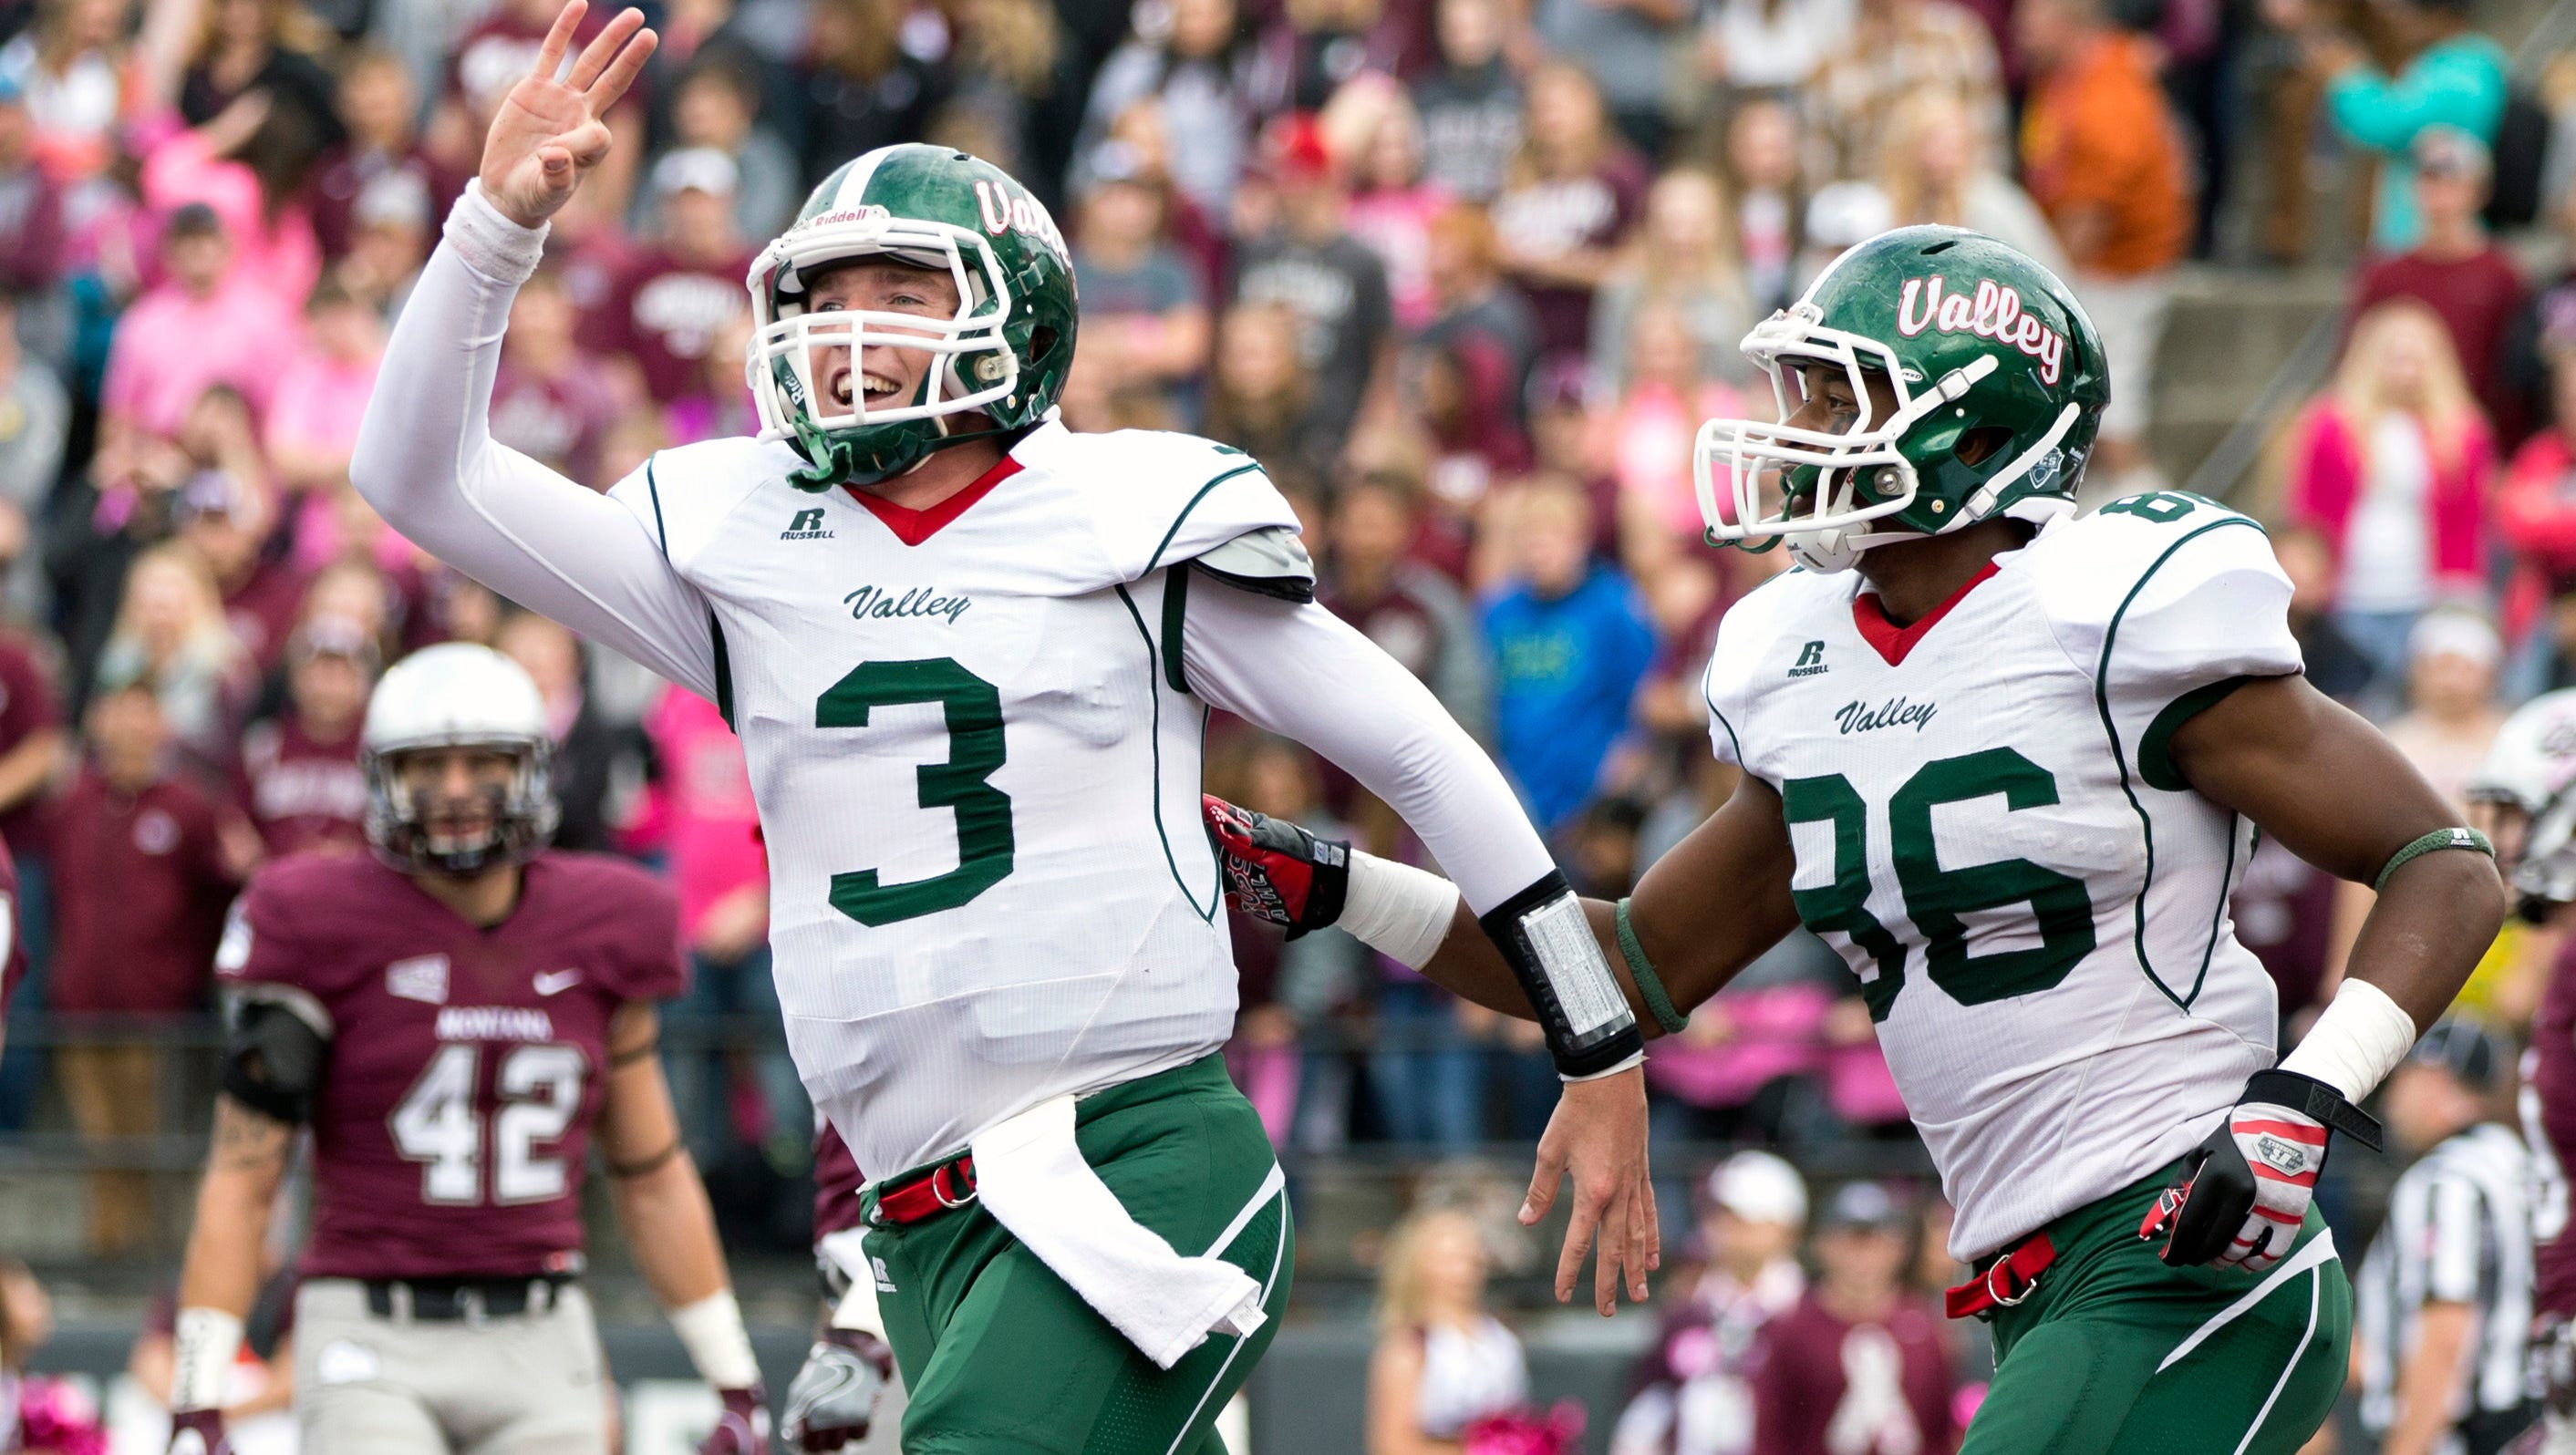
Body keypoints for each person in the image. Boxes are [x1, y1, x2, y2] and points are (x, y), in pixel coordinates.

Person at [350, 15, 1656, 1451]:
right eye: (823, 291)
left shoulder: (1126, 517)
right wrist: (492, 224)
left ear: (1014, 311)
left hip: (1132, 1161)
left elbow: (1418, 753)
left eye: (900, 287)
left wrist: (1596, 1051)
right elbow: (419, 478)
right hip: (914, 1224)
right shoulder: (738, 539)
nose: (849, 330)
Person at [1211, 225, 2512, 1453]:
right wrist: (1336, 886)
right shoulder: (1800, 658)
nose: (1795, 435)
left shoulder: (2111, 610)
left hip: (2186, 1249)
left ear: (1970, 425)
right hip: (2029, 1285)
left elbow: (2442, 865)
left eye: (1837, 401)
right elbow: (1625, 972)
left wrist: (2304, 1096)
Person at [163, 644, 772, 1455]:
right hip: (370, 1328)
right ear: (383, 777)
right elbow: (244, 1176)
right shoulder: (312, 917)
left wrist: (735, 1379)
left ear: (532, 769)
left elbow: (651, 1171)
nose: (454, 790)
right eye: (426, 766)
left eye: (483, 762)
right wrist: (196, 1402)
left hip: (542, 1327)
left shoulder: (606, 919)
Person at [50, 672, 249, 1256]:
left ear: (163, 725)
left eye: (144, 713)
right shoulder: (74, 802)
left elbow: (223, 893)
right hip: (81, 1004)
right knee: (99, 1140)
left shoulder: (191, 806)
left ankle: (156, 1263)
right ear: (99, 720)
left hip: (159, 1009)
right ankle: (107, 1256)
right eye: (120, 711)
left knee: (152, 1141)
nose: (131, 726)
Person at [2014, 0, 2192, 491]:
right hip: (2092, 265)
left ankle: (2150, 512)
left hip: (2113, 274)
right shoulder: (2069, 74)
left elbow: (2090, 214)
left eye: (2033, 22)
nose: (2019, 34)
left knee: (2109, 415)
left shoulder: (2109, 92)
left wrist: (2048, 291)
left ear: (2069, 24)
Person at [2281, 298, 2496, 692]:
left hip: (2428, 594)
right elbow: (2307, 515)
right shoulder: (2328, 424)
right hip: (2349, 593)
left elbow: (2472, 521)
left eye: (2416, 358)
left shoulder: (2463, 431)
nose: (2406, 370)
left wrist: (2462, 596)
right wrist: (2310, 581)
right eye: (2395, 357)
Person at [2354, 1020, 2540, 1455]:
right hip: (2528, 1427)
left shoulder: (2444, 1183)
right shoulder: (2516, 1163)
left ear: (2435, 1080)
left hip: (2461, 1437)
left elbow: (2445, 1337)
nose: (2393, 1097)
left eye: (2404, 1076)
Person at [1609, 1152, 1809, 1455]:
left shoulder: (1808, 1316)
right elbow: (1646, 1411)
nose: (1725, 1227)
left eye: (1742, 1217)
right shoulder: (1685, 1313)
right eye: (1717, 1214)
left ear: (1785, 1228)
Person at [1746, 1182, 1957, 1455]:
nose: (1864, 1257)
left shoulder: (1925, 1330)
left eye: (1877, 1242)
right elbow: (1772, 1434)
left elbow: (1939, 1432)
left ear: (1899, 1249)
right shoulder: (1792, 1331)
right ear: (1823, 1245)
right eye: (1851, 1242)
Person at [2348, 128, 2527, 437]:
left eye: (2454, 183)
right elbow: (2356, 368)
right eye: (2431, 180)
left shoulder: (2503, 277)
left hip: (2473, 445)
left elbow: (2512, 382)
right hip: (2391, 443)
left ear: (2480, 192)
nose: (2442, 196)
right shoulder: (2383, 276)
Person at [1366, 1208, 1531, 1455]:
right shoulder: (1410, 1345)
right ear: (1420, 1265)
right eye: (1451, 1258)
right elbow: (1391, 1445)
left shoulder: (1502, 1339)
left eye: (1470, 1256)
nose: (1465, 1269)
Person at [233, 614, 375, 857]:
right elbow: (236, 823)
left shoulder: (378, 750)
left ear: (365, 682)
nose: (330, 686)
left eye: (343, 674)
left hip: (356, 888)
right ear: (295, 678)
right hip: (273, 885)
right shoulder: (262, 745)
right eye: (319, 672)